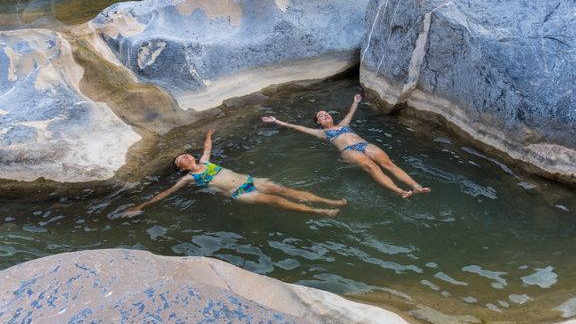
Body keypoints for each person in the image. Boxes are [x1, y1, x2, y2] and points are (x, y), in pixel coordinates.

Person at [120, 130, 346, 218]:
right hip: (239, 192)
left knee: (283, 189)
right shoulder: (189, 178)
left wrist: (208, 133)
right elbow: (164, 194)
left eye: (187, 155)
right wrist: (141, 206)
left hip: (250, 180)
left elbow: (207, 146)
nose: (187, 157)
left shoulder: (205, 161)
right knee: (276, 201)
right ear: (181, 168)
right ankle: (322, 211)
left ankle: (329, 200)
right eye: (182, 160)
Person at [261, 94, 430, 198]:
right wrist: (277, 121)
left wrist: (355, 101)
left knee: (388, 164)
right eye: (321, 115)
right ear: (318, 123)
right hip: (348, 151)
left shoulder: (344, 124)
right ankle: (399, 191)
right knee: (371, 167)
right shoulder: (321, 133)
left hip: (364, 144)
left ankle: (416, 186)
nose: (325, 115)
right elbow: (297, 127)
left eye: (326, 113)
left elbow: (351, 112)